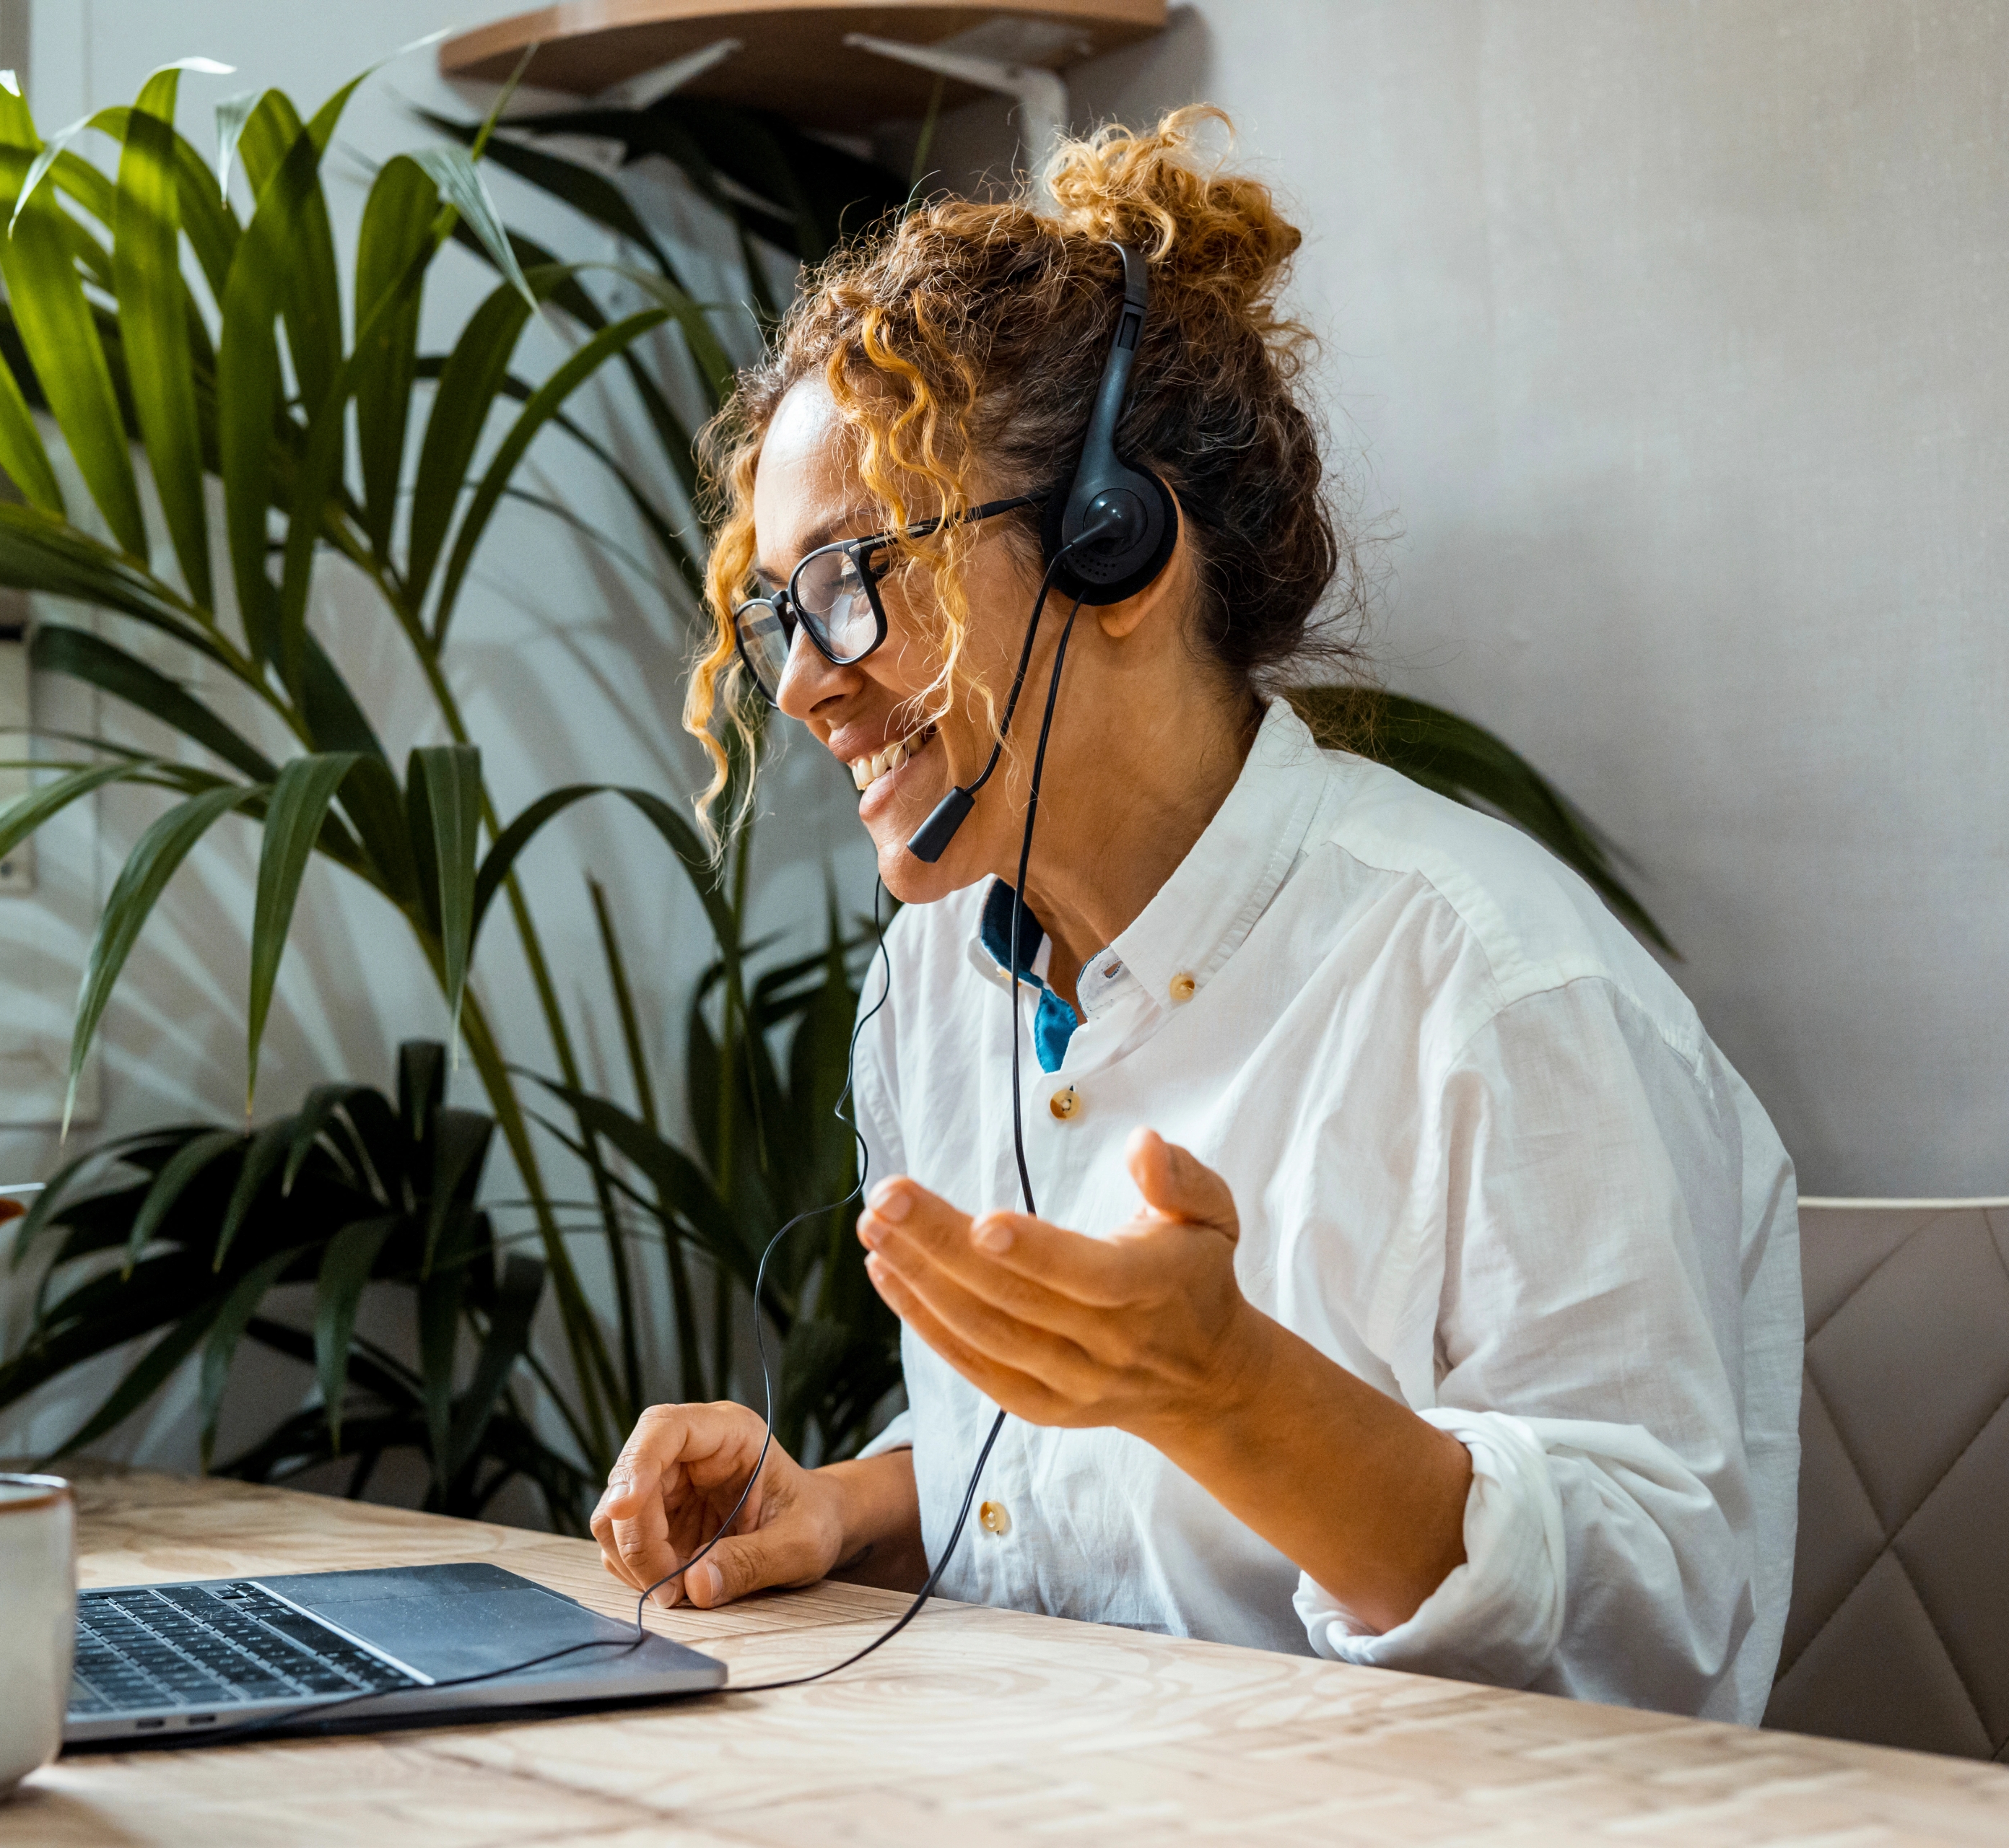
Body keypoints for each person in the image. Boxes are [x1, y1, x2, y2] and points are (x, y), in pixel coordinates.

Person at [589, 108, 1802, 1722]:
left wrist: (1232, 1391)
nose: (803, 680)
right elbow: (1076, 1512)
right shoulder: (941, 975)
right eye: (778, 610)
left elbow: (1663, 1633)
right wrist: (857, 1502)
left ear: (1118, 549)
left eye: (852, 577)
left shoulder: (1502, 989)